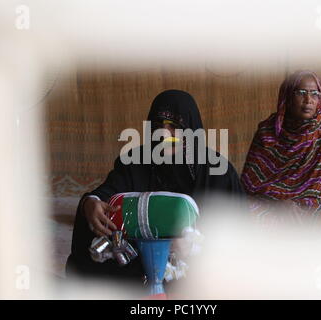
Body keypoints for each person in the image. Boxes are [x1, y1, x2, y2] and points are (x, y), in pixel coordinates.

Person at [66, 89, 243, 284]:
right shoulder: (134, 162)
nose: (164, 134)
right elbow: (105, 194)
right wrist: (90, 204)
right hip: (140, 260)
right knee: (90, 265)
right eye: (158, 125)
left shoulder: (218, 172)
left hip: (198, 266)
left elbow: (239, 232)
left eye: (174, 126)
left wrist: (195, 246)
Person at [240, 70, 321, 227]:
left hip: (312, 201)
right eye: (301, 93)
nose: (308, 100)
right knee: (245, 212)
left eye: (314, 93)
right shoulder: (267, 130)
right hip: (270, 200)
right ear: (288, 97)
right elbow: (251, 183)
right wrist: (280, 204)